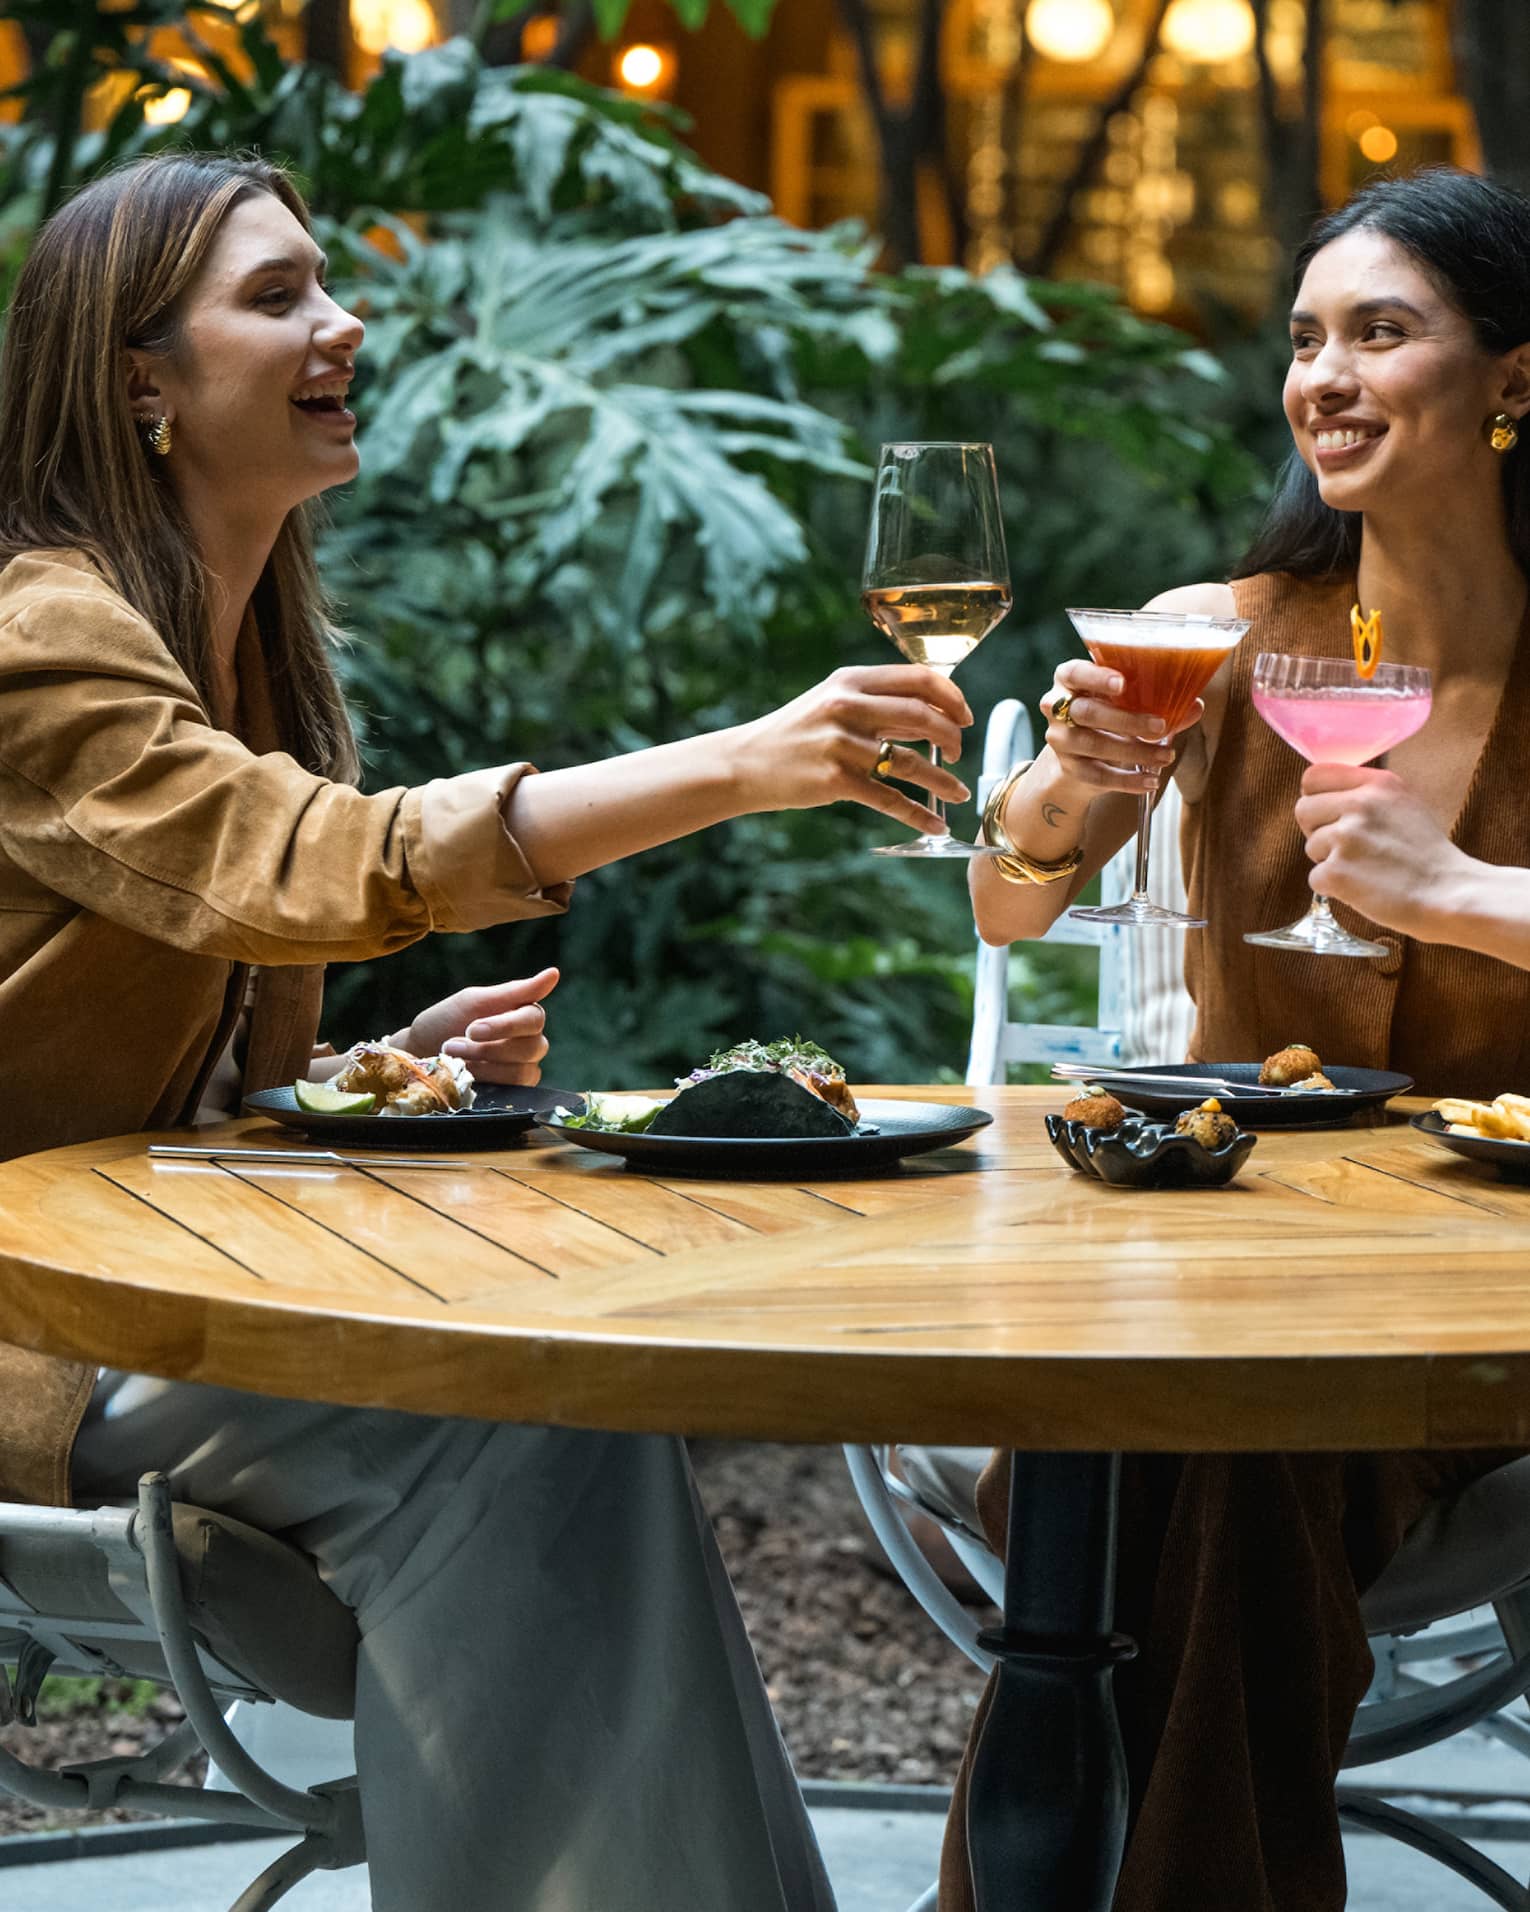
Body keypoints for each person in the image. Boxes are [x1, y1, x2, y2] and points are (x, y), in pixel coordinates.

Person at [0, 151, 975, 1912]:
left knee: (553, 1386)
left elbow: (171, 1045)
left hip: (135, 1276)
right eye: (276, 294)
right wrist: (739, 766)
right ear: (139, 377)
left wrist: (359, 1074)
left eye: (326, 286)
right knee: (495, 1422)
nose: (342, 318)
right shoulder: (36, 632)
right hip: (31, 1321)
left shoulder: (247, 650)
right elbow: (302, 863)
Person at [945, 165, 1530, 1911]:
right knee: (1199, 1427)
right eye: (1301, 339)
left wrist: (1465, 897)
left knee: (1194, 1455)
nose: (1323, 377)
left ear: (1512, 378)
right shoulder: (1220, 638)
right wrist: (1069, 791)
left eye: (1381, 332)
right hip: (1238, 1266)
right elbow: (1005, 909)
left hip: (1484, 1292)